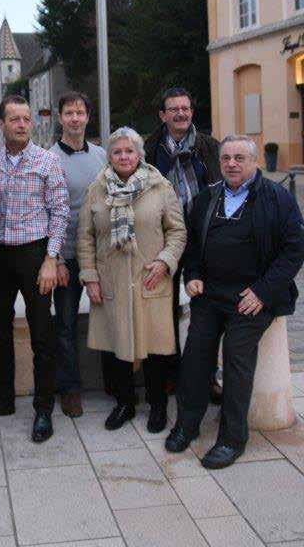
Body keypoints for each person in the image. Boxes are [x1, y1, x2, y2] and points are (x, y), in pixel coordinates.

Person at [166, 135, 304, 468]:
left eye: (240, 157)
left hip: (253, 295)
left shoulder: (277, 198)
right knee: (196, 354)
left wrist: (263, 291)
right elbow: (192, 245)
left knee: (236, 358)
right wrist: (193, 275)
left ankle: (231, 439)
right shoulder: (207, 198)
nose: (231, 163)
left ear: (254, 161)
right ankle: (187, 425)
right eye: (226, 157)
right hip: (211, 294)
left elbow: (294, 249)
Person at [0, 95, 70, 443]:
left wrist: (51, 259)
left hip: (36, 255)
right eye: (15, 119)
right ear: (2, 124)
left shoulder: (47, 162)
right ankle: (2, 399)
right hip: (0, 256)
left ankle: (43, 407)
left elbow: (60, 212)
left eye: (26, 119)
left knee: (42, 334)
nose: (22, 124)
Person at [77, 127, 187, 433]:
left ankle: (158, 406)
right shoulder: (97, 189)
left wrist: (165, 262)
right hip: (111, 281)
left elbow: (177, 231)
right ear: (109, 156)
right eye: (117, 151)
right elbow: (85, 237)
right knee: (116, 346)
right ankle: (124, 403)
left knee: (155, 348)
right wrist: (89, 276)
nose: (124, 156)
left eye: (129, 151)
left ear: (139, 155)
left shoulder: (159, 186)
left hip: (150, 279)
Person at [144, 87, 221, 399]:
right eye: (173, 109)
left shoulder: (209, 146)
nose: (180, 114)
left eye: (185, 108)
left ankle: (208, 377)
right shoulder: (150, 148)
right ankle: (170, 374)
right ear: (163, 115)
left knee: (207, 312)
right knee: (163, 311)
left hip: (203, 241)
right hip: (163, 243)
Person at [50, 91, 107, 418]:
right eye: (69, 112)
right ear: (60, 118)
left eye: (80, 112)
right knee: (66, 326)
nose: (74, 118)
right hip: (67, 257)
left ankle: (117, 384)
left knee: (109, 319)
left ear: (87, 117)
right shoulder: (48, 157)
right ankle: (69, 389)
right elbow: (44, 211)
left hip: (101, 256)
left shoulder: (101, 156)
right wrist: (55, 258)